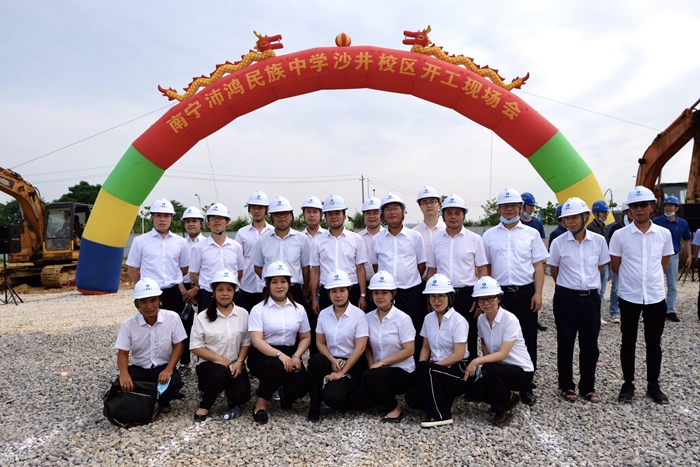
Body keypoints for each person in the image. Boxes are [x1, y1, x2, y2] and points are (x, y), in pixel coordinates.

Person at [481, 188, 548, 405]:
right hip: (499, 295)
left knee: (528, 338)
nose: (509, 209)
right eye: (505, 206)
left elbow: (538, 266)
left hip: (525, 293)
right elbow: (486, 267)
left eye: (513, 205)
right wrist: (485, 296)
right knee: (496, 338)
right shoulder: (489, 235)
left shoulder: (532, 234)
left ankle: (526, 384)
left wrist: (538, 293)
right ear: (499, 209)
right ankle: (501, 380)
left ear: (520, 208)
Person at [609, 186, 673, 404]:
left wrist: (649, 280)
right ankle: (628, 383)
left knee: (654, 343)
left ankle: (653, 384)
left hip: (655, 296)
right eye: (634, 206)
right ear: (629, 210)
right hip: (629, 296)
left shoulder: (664, 234)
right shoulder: (620, 235)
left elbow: (664, 263)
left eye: (643, 205)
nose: (639, 209)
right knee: (628, 342)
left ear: (652, 207)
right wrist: (634, 280)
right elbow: (615, 265)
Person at [548, 198, 610, 403]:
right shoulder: (558, 242)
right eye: (566, 218)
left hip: (591, 298)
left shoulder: (599, 241)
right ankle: (566, 386)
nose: (570, 222)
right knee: (565, 343)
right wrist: (569, 287)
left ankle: (588, 387)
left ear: (586, 217)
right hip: (566, 298)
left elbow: (600, 268)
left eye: (574, 217)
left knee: (590, 344)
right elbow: (555, 270)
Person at [248, 261, 311, 424]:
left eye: (283, 281)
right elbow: (257, 341)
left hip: (290, 352)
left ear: (289, 284)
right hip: (263, 353)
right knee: (277, 367)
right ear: (268, 285)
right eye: (274, 282)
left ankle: (283, 393)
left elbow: (306, 337)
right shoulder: (258, 309)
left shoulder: (299, 309)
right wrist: (280, 355)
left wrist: (297, 356)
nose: (279, 286)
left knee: (300, 386)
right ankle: (260, 405)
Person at [465, 276, 534, 427]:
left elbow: (503, 354)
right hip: (499, 367)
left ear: (498, 299)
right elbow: (484, 344)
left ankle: (503, 411)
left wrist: (477, 361)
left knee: (489, 369)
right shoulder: (481, 320)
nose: (486, 303)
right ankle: (509, 397)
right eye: (481, 300)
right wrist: (484, 365)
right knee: (474, 391)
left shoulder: (510, 320)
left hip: (521, 371)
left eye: (490, 298)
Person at [425, 194, 487, 361]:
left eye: (457, 213)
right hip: (442, 295)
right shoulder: (436, 241)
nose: (453, 217)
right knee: (443, 333)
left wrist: (480, 297)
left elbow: (482, 269)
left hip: (467, 295)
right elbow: (432, 269)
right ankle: (444, 369)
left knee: (469, 334)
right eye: (449, 213)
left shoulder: (475, 240)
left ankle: (469, 371)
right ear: (443, 215)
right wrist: (429, 297)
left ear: (464, 215)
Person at [405, 274, 469, 428]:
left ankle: (440, 415)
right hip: (434, 369)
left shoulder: (459, 321)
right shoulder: (428, 319)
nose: (436, 300)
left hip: (457, 371)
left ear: (449, 297)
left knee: (425, 370)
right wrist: (422, 370)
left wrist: (429, 368)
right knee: (412, 400)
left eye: (441, 296)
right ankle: (446, 398)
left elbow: (458, 354)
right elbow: (426, 347)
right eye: (433, 296)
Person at [115, 278, 186, 413]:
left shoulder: (172, 318)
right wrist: (124, 374)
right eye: (144, 301)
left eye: (153, 300)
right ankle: (149, 397)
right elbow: (123, 352)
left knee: (174, 382)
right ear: (137, 304)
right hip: (140, 368)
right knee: (121, 384)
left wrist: (169, 369)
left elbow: (179, 345)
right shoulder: (129, 324)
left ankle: (162, 401)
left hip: (163, 366)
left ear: (160, 301)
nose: (149, 306)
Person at [352, 271, 415, 422]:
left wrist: (381, 363)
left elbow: (409, 350)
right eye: (376, 293)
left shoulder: (403, 319)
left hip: (402, 371)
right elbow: (367, 346)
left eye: (384, 293)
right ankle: (383, 395)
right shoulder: (367, 318)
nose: (379, 297)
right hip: (378, 372)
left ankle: (395, 408)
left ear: (393, 294)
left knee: (369, 377)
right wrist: (372, 365)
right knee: (359, 401)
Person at [370, 193, 426, 361]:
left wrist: (407, 279)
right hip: (386, 294)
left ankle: (415, 370)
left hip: (411, 293)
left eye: (396, 208)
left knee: (414, 332)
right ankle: (388, 365)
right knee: (389, 332)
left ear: (403, 212)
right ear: (382, 214)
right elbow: (376, 266)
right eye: (388, 209)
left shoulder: (415, 236)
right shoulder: (377, 239)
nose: (392, 212)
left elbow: (421, 264)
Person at [307, 269, 368, 422]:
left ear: (349, 291)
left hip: (351, 362)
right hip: (331, 359)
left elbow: (360, 348)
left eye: (342, 290)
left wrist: (342, 371)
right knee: (315, 360)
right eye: (334, 291)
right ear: (328, 294)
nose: (338, 295)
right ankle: (314, 407)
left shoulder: (359, 315)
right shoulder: (324, 314)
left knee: (333, 398)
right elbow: (320, 342)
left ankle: (345, 395)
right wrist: (332, 359)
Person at [190, 269, 251, 421]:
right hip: (210, 366)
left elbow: (246, 342)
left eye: (229, 289)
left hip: (235, 365)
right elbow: (196, 347)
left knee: (242, 396)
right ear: (213, 292)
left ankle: (228, 393)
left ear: (234, 292)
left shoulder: (243, 314)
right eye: (220, 289)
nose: (225, 293)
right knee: (220, 373)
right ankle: (205, 405)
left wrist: (240, 362)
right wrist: (220, 360)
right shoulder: (203, 317)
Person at [127, 198, 191, 318]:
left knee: (175, 324)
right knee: (150, 325)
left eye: (166, 216)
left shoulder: (181, 242)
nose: (162, 219)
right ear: (152, 217)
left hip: (174, 293)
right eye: (158, 215)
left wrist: (172, 277)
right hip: (150, 293)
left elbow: (184, 268)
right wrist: (143, 286)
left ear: (171, 218)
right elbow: (132, 269)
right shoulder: (140, 241)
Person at [310, 194, 367, 313]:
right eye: (330, 214)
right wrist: (314, 298)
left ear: (344, 216)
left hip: (351, 289)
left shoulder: (356, 239)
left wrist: (362, 295)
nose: (334, 217)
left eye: (337, 213)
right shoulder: (318, 241)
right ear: (325, 217)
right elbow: (315, 271)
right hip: (327, 291)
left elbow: (360, 268)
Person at [253, 196, 310, 304]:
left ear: (291, 216)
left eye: (285, 213)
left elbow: (306, 268)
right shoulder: (262, 240)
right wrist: (271, 281)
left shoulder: (302, 239)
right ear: (271, 217)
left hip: (294, 290)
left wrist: (305, 291)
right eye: (277, 214)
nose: (281, 217)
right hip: (270, 291)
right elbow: (257, 267)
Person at [189, 203, 245, 311]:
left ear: (227, 222)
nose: (217, 221)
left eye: (221, 218)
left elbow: (239, 272)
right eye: (213, 218)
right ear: (208, 223)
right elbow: (193, 274)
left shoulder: (236, 246)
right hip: (208, 296)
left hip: (232, 295)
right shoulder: (199, 247)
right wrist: (207, 286)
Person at [652, 196, 692, 322]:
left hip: (673, 256)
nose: (668, 208)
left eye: (671, 206)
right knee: (654, 282)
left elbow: (687, 240)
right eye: (666, 206)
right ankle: (654, 308)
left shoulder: (682, 223)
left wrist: (689, 256)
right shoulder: (656, 221)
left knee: (672, 284)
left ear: (677, 208)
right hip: (656, 257)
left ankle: (670, 310)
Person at [237, 190, 273, 312]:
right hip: (247, 286)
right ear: (249, 209)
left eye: (260, 207)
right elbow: (238, 260)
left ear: (267, 209)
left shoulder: (273, 232)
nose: (257, 211)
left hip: (268, 286)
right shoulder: (242, 233)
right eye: (253, 207)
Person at [179, 206, 206, 372]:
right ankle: (185, 362)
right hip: (183, 290)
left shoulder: (208, 243)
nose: (191, 224)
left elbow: (210, 270)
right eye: (187, 221)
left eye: (194, 221)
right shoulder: (179, 244)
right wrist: (183, 290)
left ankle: (203, 359)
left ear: (201, 223)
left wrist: (196, 288)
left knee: (205, 325)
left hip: (202, 290)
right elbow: (174, 268)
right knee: (183, 325)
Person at [587, 200, 612, 325]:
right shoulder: (589, 228)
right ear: (595, 213)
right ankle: (591, 314)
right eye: (603, 212)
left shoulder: (605, 228)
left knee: (602, 292)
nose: (605, 215)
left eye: (606, 212)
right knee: (595, 291)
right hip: (594, 264)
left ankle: (598, 314)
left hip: (604, 263)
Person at [413, 186, 446, 279]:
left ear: (439, 204)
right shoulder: (414, 233)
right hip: (420, 281)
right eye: (424, 202)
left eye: (432, 201)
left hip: (445, 283)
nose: (429, 205)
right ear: (420, 206)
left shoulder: (447, 230)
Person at [607, 201, 632, 323]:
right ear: (625, 213)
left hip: (632, 264)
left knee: (633, 287)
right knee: (616, 288)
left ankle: (634, 312)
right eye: (630, 211)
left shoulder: (640, 228)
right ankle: (614, 311)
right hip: (619, 263)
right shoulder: (616, 228)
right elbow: (610, 246)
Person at [357, 196, 383, 311]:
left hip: (383, 286)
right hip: (362, 287)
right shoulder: (357, 238)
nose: (371, 216)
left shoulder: (388, 236)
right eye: (368, 213)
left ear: (381, 215)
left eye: (375, 213)